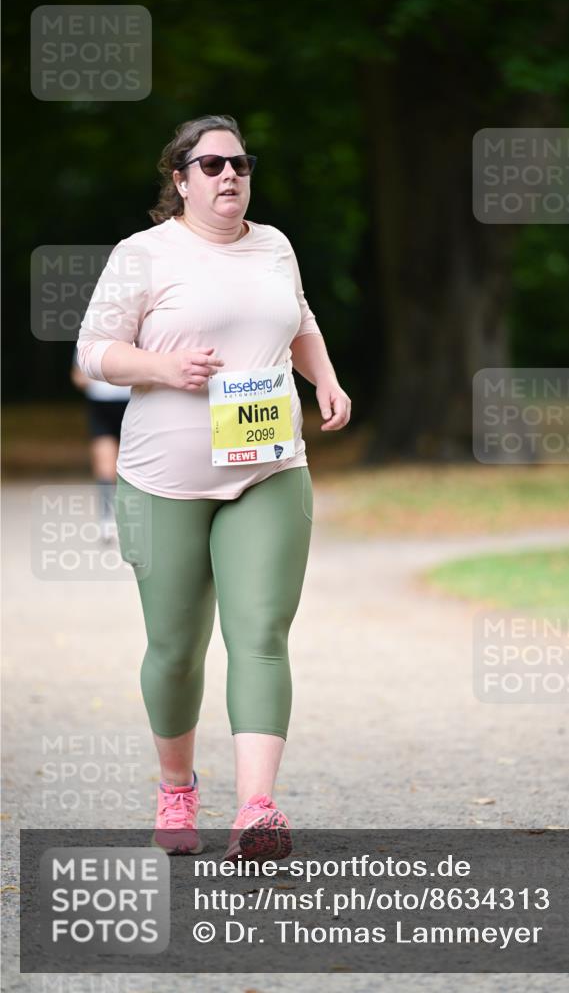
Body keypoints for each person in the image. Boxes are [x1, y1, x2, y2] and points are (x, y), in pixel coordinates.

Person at [76, 114, 351, 858]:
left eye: (239, 163)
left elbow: (300, 319)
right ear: (180, 179)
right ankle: (176, 789)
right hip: (163, 478)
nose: (229, 175)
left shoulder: (274, 246)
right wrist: (163, 369)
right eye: (210, 165)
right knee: (175, 649)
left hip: (268, 466)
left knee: (259, 635)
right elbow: (94, 349)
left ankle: (256, 808)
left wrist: (323, 380)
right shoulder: (144, 255)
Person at [70, 347, 131, 542]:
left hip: (133, 406)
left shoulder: (139, 332)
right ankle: (107, 519)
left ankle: (134, 519)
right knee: (106, 465)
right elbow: (78, 376)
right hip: (101, 408)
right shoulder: (89, 335)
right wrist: (97, 379)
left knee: (134, 466)